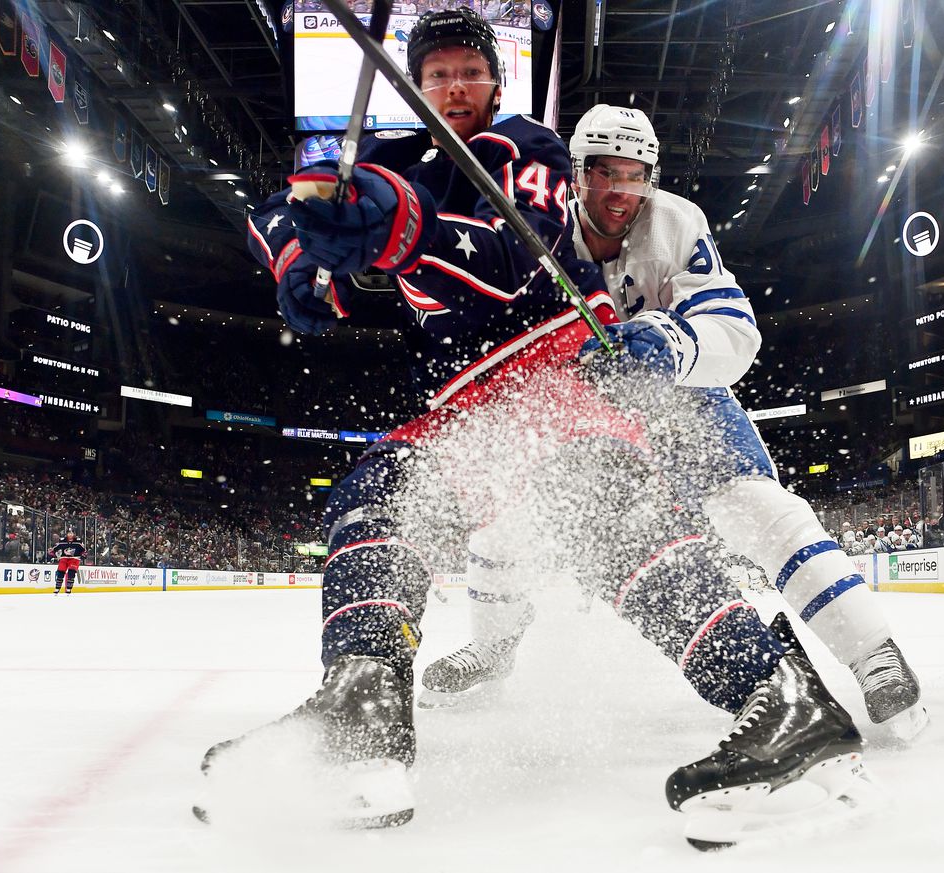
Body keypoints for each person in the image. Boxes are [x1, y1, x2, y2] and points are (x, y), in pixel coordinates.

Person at [204, 8, 869, 846]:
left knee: (601, 510)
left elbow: (509, 255)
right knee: (379, 495)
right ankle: (363, 712)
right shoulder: (389, 162)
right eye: (436, 73)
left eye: (468, 73)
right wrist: (302, 262)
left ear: (496, 82)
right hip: (462, 406)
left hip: (556, 370)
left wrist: (400, 232)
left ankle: (785, 702)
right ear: (415, 84)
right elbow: (281, 209)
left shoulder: (532, 150)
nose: (454, 87)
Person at [420, 105, 927, 739]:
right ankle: (492, 651)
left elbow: (736, 334)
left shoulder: (678, 223)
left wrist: (671, 342)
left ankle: (873, 652)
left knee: (762, 509)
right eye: (603, 173)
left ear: (651, 177)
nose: (617, 193)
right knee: (503, 523)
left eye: (633, 177)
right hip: (576, 413)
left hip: (676, 400)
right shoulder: (532, 223)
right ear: (575, 173)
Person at [48, 530, 85, 594]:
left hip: (74, 559)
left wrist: (83, 555)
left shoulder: (78, 542)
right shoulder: (62, 541)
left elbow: (84, 551)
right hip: (64, 558)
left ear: (73, 534)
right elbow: (54, 549)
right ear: (67, 534)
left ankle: (68, 588)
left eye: (71, 533)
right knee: (60, 572)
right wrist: (52, 553)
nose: (70, 535)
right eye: (69, 533)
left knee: (71, 572)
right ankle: (57, 588)